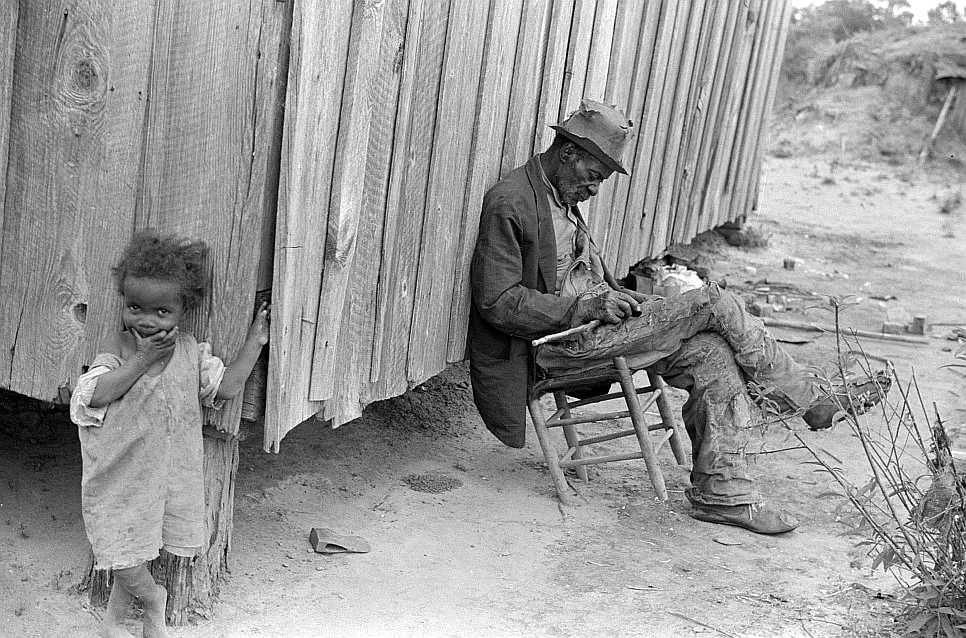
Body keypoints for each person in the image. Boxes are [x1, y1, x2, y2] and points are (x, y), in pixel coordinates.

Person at [467, 98, 888, 535]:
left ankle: (723, 495)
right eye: (592, 178)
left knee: (710, 353)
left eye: (600, 182)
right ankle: (811, 401)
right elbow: (498, 302)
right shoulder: (511, 202)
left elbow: (584, 277)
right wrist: (583, 306)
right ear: (568, 152)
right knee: (711, 302)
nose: (593, 190)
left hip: (600, 328)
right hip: (559, 344)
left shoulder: (559, 195)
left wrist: (622, 298)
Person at [69, 230, 269, 638]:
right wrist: (142, 360)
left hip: (166, 473)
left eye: (162, 312)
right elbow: (93, 396)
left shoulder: (192, 352)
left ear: (182, 311)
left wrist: (255, 341)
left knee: (140, 544)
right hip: (122, 472)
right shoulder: (119, 345)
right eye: (135, 308)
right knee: (121, 550)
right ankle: (153, 598)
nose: (146, 319)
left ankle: (112, 623)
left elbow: (226, 388)